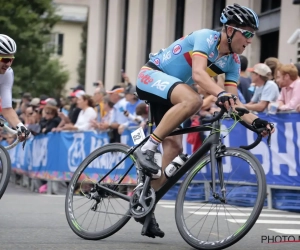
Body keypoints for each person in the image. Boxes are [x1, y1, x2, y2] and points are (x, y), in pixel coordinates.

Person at [134, 4, 274, 238]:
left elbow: (234, 103)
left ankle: (143, 202)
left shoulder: (233, 61)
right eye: (247, 33)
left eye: (253, 35)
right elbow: (198, 74)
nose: (250, 40)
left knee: (176, 148)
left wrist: (256, 121)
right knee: (194, 100)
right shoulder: (205, 38)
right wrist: (219, 94)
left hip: (172, 91)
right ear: (229, 30)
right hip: (152, 76)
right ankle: (148, 148)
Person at [0, 34, 29, 141]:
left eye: (11, 60)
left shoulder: (7, 74)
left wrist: (20, 127)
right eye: (6, 59)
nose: (9, 64)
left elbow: (6, 108)